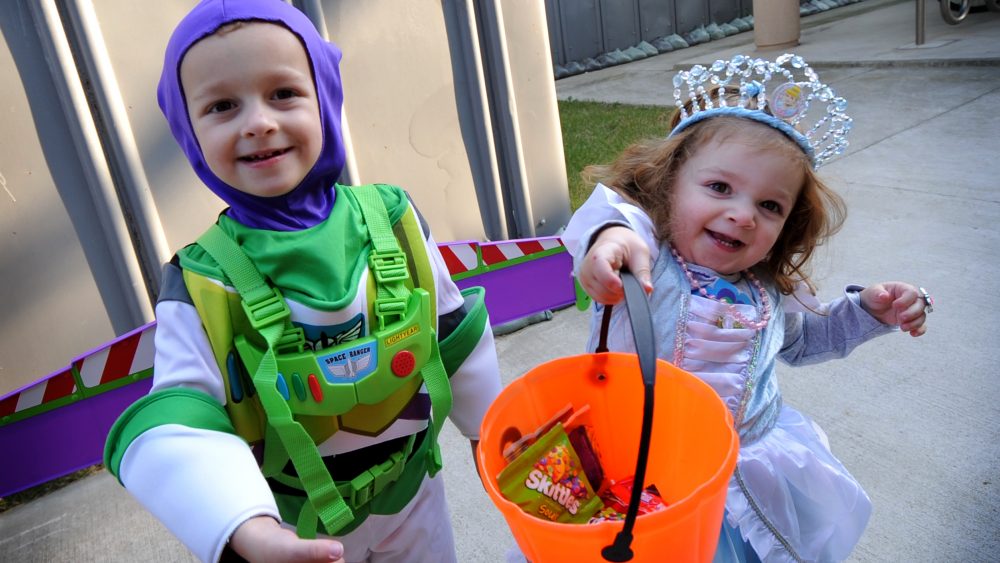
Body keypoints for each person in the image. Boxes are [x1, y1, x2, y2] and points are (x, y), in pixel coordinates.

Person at [102, 1, 502, 562]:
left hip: (412, 500)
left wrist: (497, 435)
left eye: (284, 93)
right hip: (294, 528)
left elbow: (453, 336)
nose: (258, 122)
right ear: (187, 131)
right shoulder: (201, 282)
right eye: (222, 105)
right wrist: (245, 526)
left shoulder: (392, 220)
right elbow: (183, 415)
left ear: (326, 95)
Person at [562, 54, 933, 562]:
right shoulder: (646, 259)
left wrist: (868, 311)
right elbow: (611, 218)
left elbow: (800, 345)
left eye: (770, 205)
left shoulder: (766, 289)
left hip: (740, 475)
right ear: (669, 185)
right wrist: (609, 243)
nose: (741, 215)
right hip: (639, 466)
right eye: (719, 188)